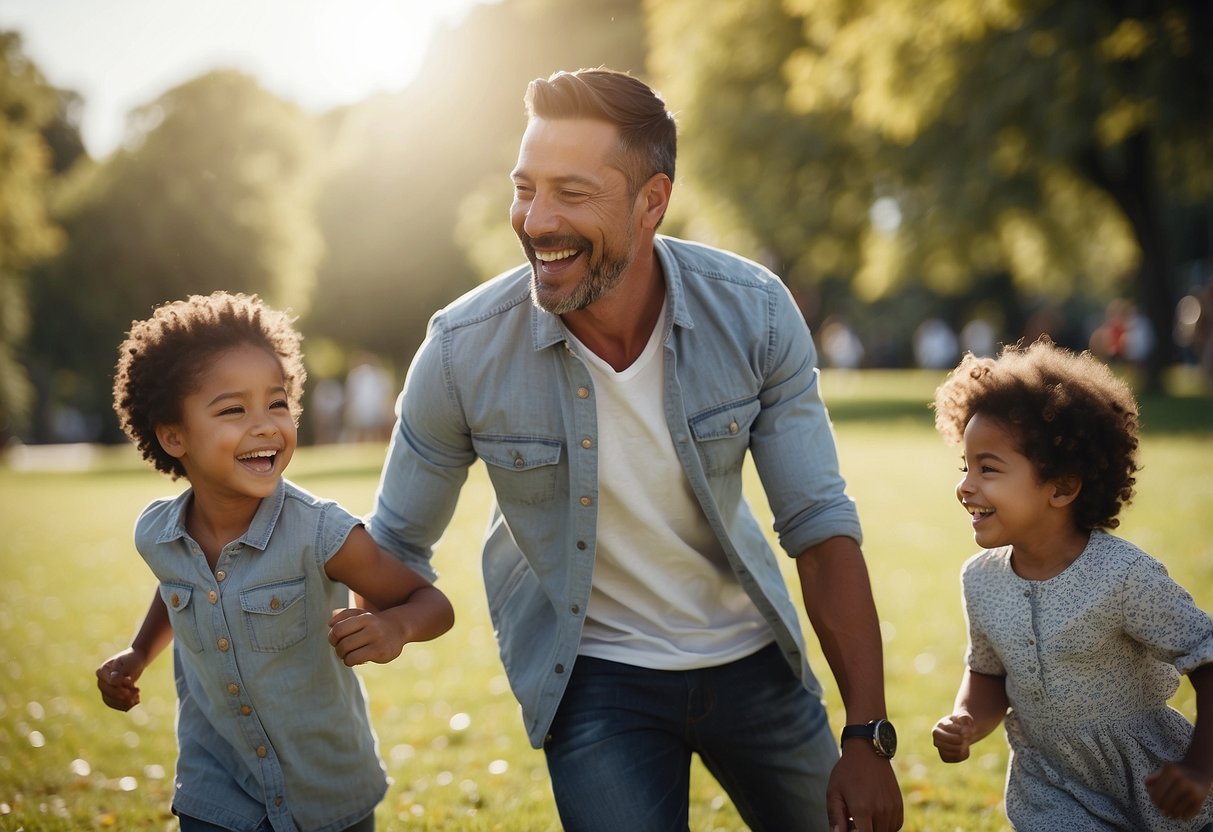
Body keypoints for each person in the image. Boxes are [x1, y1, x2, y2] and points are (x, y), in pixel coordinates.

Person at [367, 68, 902, 832]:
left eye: (571, 194)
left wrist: (866, 735)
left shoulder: (751, 314)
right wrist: (361, 607)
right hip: (593, 680)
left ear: (652, 201)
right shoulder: (461, 351)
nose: (535, 219)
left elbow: (818, 526)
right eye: (525, 188)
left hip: (752, 658)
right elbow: (394, 541)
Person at [96, 292, 455, 832]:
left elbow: (432, 604)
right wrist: (139, 651)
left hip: (327, 792)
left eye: (277, 403)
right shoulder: (157, 533)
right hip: (215, 787)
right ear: (173, 436)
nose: (265, 425)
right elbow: (180, 585)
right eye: (233, 409)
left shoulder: (322, 532)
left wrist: (394, 626)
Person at [931, 338, 1213, 830]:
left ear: (1061, 487)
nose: (965, 485)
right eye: (965, 467)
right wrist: (967, 721)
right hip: (1051, 789)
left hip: (1155, 788)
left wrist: (1200, 766)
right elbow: (989, 675)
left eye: (988, 469)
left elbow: (1207, 658)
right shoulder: (981, 581)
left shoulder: (1123, 576)